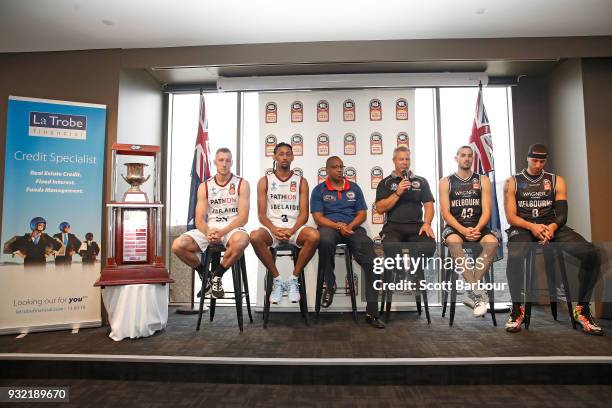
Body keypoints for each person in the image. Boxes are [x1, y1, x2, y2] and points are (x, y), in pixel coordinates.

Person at [503, 143, 602, 335]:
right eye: (535, 160)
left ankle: (581, 309)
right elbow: (511, 217)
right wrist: (533, 227)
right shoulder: (513, 182)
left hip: (551, 226)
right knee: (515, 254)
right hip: (523, 227)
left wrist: (551, 228)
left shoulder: (557, 180)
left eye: (542, 161)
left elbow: (562, 215)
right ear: (527, 158)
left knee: (592, 253)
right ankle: (517, 309)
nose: (538, 165)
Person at [311, 156, 384, 329]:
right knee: (325, 239)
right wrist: (338, 226)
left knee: (371, 258)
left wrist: (349, 226)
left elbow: (362, 214)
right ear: (327, 170)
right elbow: (318, 218)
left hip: (352, 228)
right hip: (330, 227)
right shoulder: (319, 190)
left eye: (341, 167)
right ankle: (330, 284)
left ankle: (372, 313)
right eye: (335, 167)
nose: (339, 170)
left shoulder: (354, 187)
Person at [172, 148, 250, 299]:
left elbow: (243, 218)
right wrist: (208, 232)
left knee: (242, 241)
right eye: (221, 160)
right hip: (210, 228)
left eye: (227, 160)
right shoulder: (205, 186)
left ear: (232, 163)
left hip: (232, 228)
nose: (224, 164)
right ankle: (205, 275)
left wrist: (221, 233)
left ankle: (217, 275)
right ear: (215, 162)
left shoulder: (242, 184)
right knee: (178, 245)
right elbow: (199, 218)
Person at [250, 143, 320, 304]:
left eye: (288, 154)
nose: (285, 157)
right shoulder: (264, 181)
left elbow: (303, 214)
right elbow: (261, 214)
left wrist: (292, 230)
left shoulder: (301, 181)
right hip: (272, 228)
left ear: (293, 157)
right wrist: (274, 229)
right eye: (281, 154)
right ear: (274, 157)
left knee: (314, 236)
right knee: (254, 237)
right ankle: (278, 280)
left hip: (295, 228)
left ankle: (293, 279)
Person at [439, 146, 498, 316]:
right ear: (456, 158)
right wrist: (463, 230)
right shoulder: (446, 182)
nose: (467, 158)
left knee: (492, 243)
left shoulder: (483, 180)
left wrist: (477, 228)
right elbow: (446, 213)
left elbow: (487, 210)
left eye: (470, 156)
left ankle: (470, 292)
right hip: (456, 227)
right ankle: (477, 293)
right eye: (463, 155)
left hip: (477, 225)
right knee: (453, 241)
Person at [374, 146, 436, 310]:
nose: (405, 162)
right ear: (394, 161)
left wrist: (427, 223)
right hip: (393, 227)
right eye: (401, 159)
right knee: (391, 246)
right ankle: (402, 273)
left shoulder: (421, 181)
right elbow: (380, 208)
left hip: (416, 226)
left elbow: (429, 206)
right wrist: (398, 192)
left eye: (407, 159)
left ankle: (414, 271)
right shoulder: (386, 182)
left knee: (429, 244)